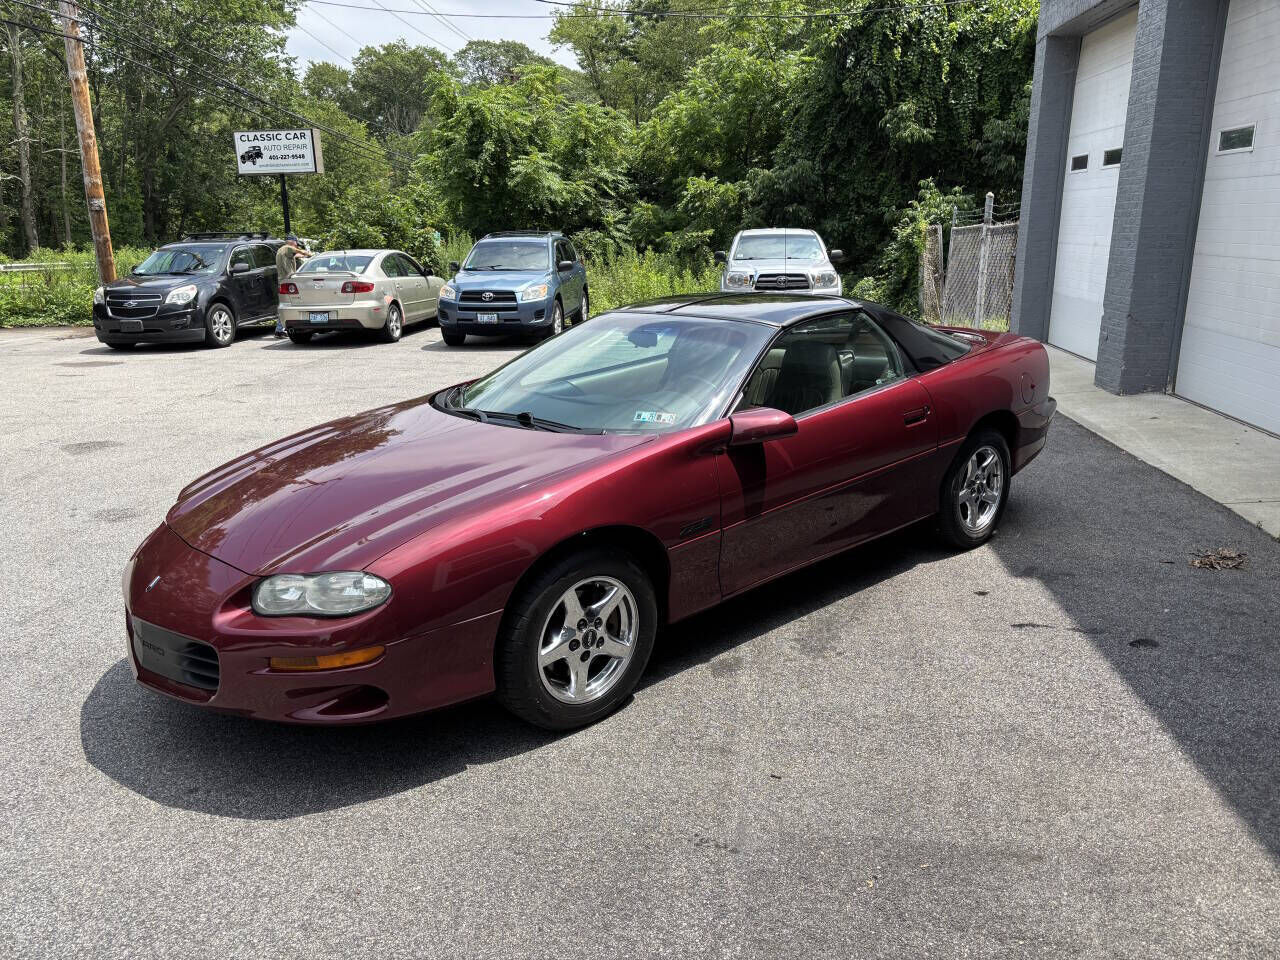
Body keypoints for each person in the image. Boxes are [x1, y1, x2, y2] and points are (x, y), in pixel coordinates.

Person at [274, 234, 312, 337]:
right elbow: (300, 252)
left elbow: (296, 255)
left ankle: (279, 330)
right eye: (296, 243)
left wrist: (303, 256)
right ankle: (280, 330)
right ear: (292, 242)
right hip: (287, 282)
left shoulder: (282, 251)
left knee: (286, 305)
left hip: (284, 282)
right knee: (290, 305)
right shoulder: (287, 247)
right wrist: (310, 254)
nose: (296, 245)